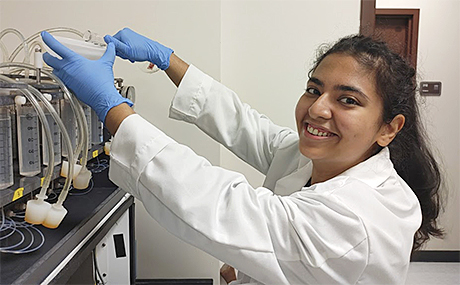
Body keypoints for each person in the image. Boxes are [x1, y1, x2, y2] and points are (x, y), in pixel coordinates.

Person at [41, 28, 443, 284]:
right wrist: (168, 60)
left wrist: (111, 107)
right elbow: (244, 124)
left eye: (348, 100)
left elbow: (223, 205)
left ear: (389, 127)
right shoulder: (322, 160)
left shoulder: (356, 218)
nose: (318, 109)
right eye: (313, 89)